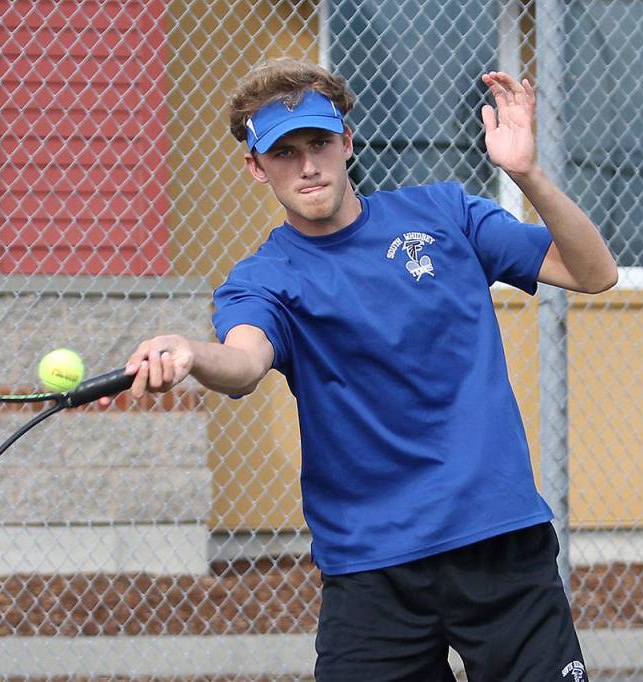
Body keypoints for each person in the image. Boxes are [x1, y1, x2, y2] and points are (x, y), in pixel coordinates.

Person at [104, 58, 616, 681]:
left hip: (496, 538)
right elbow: (243, 362)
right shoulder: (265, 279)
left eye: (319, 143)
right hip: (371, 569)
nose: (308, 165)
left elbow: (594, 272)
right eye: (284, 152)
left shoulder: (445, 214)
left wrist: (527, 173)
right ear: (255, 166)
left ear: (347, 142)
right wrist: (189, 353)